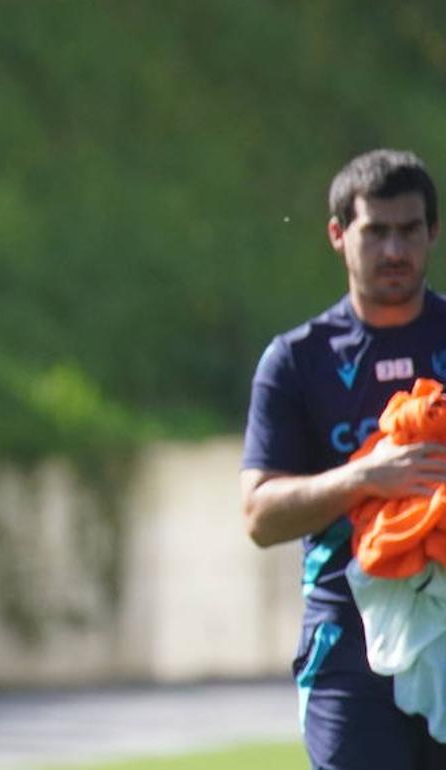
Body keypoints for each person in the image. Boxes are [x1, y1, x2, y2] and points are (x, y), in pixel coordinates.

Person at [241, 148, 446, 769]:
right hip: (347, 644)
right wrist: (364, 478)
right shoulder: (297, 361)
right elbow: (259, 517)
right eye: (375, 231)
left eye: (409, 230)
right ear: (338, 235)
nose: (393, 250)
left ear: (432, 233)